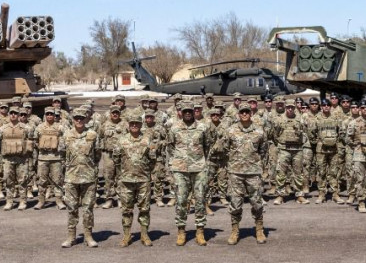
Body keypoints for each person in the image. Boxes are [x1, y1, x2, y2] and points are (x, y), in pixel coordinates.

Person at [166, 103, 213, 246]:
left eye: (190, 111)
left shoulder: (203, 127)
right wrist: (175, 164)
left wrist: (203, 163)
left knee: (199, 200)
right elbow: (170, 147)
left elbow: (208, 146)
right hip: (180, 170)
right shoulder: (174, 128)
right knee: (181, 201)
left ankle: (200, 231)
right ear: (181, 112)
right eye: (185, 111)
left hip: (199, 169)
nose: (187, 113)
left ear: (194, 112)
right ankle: (181, 231)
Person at [221, 105, 268, 244]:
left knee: (257, 203)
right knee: (235, 204)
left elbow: (263, 151)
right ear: (239, 114)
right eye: (242, 112)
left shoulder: (259, 131)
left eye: (247, 111)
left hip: (253, 172)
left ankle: (259, 229)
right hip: (236, 172)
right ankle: (235, 230)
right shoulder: (231, 131)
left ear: (251, 113)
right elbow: (224, 148)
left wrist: (260, 167)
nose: (245, 114)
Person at [111, 116, 155, 246]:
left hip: (143, 180)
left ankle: (144, 234)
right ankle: (126, 235)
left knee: (145, 209)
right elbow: (116, 159)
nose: (134, 125)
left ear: (141, 125)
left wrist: (144, 172)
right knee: (126, 210)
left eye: (137, 123)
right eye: (132, 123)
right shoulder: (121, 140)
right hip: (126, 180)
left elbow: (152, 160)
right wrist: (124, 172)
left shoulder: (147, 139)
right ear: (128, 125)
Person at [61, 108, 100, 248]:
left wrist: (91, 169)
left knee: (88, 208)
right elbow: (61, 154)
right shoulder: (66, 135)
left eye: (81, 118)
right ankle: (71, 236)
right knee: (71, 208)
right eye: (76, 118)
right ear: (72, 119)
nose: (79, 120)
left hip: (88, 177)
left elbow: (97, 154)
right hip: (71, 177)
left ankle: (88, 236)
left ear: (86, 119)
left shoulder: (93, 135)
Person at [33, 108, 65, 209]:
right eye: (48, 114)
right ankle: (41, 201)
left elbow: (65, 140)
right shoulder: (39, 128)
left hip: (56, 158)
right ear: (45, 115)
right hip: (43, 158)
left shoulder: (60, 127)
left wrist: (58, 147)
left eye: (52, 114)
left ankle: (59, 201)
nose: (50, 116)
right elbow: (35, 141)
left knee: (58, 180)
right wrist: (43, 147)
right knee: (42, 181)